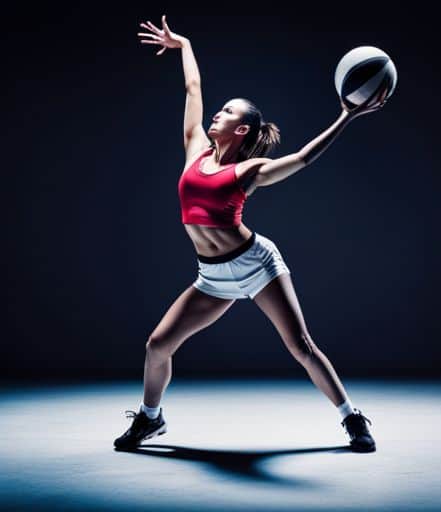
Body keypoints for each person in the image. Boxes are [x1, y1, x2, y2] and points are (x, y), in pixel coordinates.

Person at [114, 15, 387, 453]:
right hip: (212, 276)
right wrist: (184, 46)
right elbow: (193, 90)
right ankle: (150, 419)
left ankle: (352, 418)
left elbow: (301, 159)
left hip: (256, 264)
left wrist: (346, 116)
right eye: (219, 110)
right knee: (157, 344)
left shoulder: (249, 171)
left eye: (228, 112)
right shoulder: (195, 148)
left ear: (241, 130)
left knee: (301, 346)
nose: (217, 113)